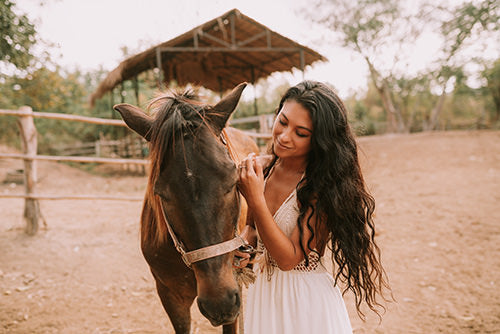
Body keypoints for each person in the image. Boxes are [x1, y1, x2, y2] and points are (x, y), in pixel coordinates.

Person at [235, 81, 390, 333]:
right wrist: (243, 249)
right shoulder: (264, 170)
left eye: (301, 133)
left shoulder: (323, 186)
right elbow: (252, 228)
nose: (284, 136)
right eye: (283, 122)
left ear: (319, 140)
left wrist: (255, 198)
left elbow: (288, 259)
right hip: (263, 294)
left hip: (303, 304)